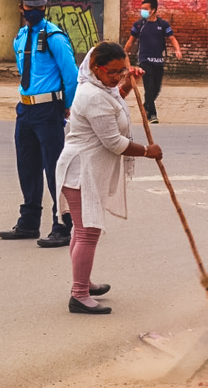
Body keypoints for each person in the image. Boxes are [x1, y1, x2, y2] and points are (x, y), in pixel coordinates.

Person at [55, 41, 162, 314]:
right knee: (88, 231)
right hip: (80, 173)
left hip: (89, 171)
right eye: (113, 72)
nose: (117, 77)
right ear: (95, 68)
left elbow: (115, 102)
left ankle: (84, 282)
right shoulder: (91, 95)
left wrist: (128, 84)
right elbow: (114, 142)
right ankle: (78, 294)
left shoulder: (104, 88)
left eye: (122, 70)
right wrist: (148, 151)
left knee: (81, 231)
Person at [0, 0, 79, 248]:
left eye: (39, 8)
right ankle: (29, 222)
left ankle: (63, 225)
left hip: (48, 109)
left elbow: (71, 75)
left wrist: (67, 106)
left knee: (55, 168)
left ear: (44, 8)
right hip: (25, 109)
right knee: (28, 166)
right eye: (30, 7)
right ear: (21, 8)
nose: (34, 12)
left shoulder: (55, 36)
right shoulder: (20, 36)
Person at [123, 0, 182, 124]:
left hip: (158, 60)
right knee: (149, 87)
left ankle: (145, 106)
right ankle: (152, 114)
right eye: (142, 9)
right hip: (144, 60)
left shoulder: (162, 24)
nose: (143, 11)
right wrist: (124, 53)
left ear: (153, 10)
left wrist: (177, 50)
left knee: (156, 89)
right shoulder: (139, 25)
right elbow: (131, 40)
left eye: (146, 9)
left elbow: (172, 38)